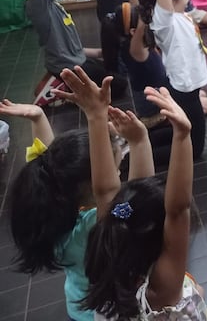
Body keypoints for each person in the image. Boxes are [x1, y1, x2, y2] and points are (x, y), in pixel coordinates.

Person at [54, 67, 207, 321]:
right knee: (198, 290)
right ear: (161, 234)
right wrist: (182, 134)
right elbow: (178, 209)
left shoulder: (110, 259)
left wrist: (99, 118)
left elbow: (109, 195)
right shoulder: (162, 291)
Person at [5, 95, 149, 321]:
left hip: (77, 307)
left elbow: (49, 159)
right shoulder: (94, 225)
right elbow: (137, 202)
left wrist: (39, 117)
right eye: (117, 170)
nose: (119, 177)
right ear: (97, 186)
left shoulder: (55, 214)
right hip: (104, 313)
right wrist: (139, 142)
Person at [133, 0, 207, 160]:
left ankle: (138, 143)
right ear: (171, 1)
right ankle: (134, 155)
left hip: (187, 88)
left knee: (183, 129)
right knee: (194, 151)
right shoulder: (165, 22)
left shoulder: (177, 17)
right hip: (183, 89)